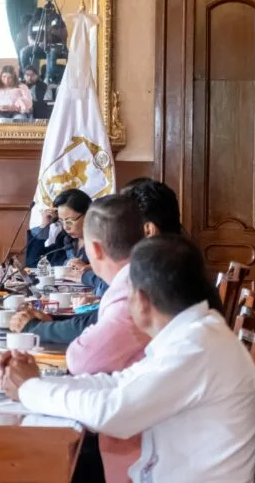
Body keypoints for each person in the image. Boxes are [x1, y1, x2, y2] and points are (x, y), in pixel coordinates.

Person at [0, 234, 255, 483]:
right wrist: (37, 382)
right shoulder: (196, 333)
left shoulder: (196, 346)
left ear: (141, 300)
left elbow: (111, 413)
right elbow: (119, 384)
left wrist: (29, 388)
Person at [13, 179, 184, 345]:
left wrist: (38, 328)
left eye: (121, 224)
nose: (114, 232)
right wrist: (52, 320)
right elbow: (103, 316)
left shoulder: (156, 273)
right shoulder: (173, 258)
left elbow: (98, 333)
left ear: (148, 231)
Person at [64, 196, 151, 483]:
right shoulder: (143, 276)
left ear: (96, 249)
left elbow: (82, 360)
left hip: (139, 450)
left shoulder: (133, 290)